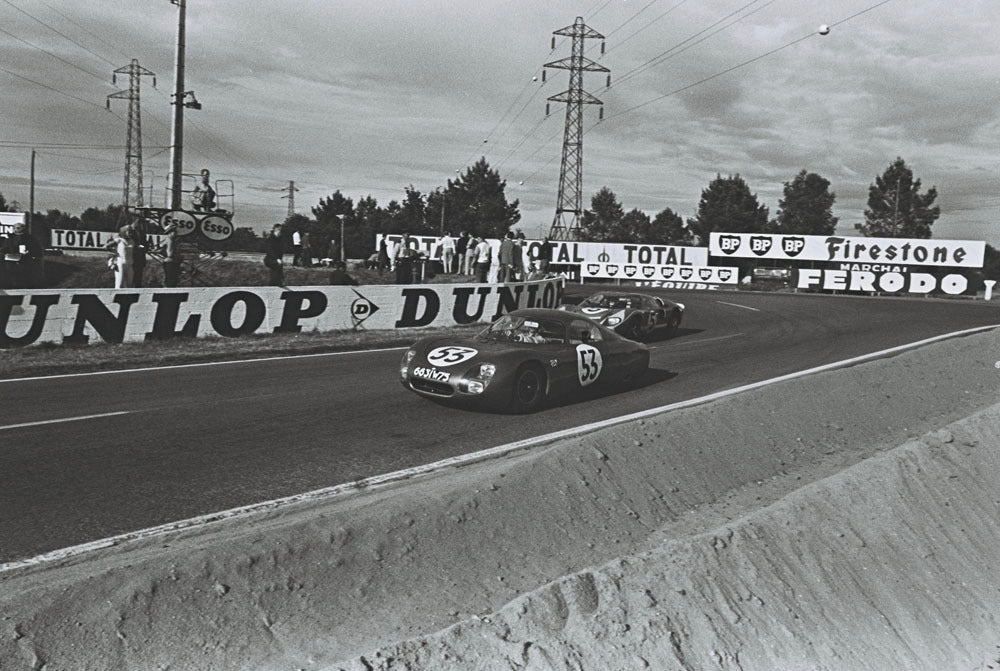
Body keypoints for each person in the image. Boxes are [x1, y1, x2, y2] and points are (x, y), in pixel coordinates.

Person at [1, 223, 43, 289]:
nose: (18, 229)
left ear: (24, 229)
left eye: (20, 227)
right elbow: (4, 250)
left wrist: (29, 252)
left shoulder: (31, 239)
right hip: (12, 265)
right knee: (14, 282)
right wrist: (7, 254)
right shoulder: (9, 239)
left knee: (25, 282)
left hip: (26, 264)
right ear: (13, 229)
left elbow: (38, 251)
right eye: (16, 228)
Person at [129, 221, 148, 288]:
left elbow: (145, 243)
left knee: (139, 274)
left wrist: (143, 247)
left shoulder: (142, 233)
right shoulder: (130, 232)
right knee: (132, 275)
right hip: (132, 256)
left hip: (140, 257)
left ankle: (138, 287)